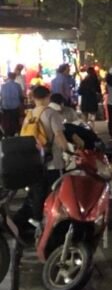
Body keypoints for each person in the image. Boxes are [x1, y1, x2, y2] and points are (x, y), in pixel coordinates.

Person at [13, 85, 69, 242]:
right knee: (55, 196)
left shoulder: (29, 115)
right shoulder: (51, 113)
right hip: (53, 164)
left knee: (38, 195)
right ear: (48, 97)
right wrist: (68, 150)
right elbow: (59, 136)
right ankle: (52, 231)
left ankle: (36, 224)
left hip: (36, 163)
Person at [0, 71, 25, 136]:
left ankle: (8, 134)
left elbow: (1, 96)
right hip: (15, 106)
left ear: (8, 77)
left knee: (7, 121)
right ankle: (16, 133)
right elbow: (20, 96)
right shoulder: (17, 85)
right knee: (15, 120)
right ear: (14, 77)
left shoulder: (3, 86)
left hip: (5, 106)